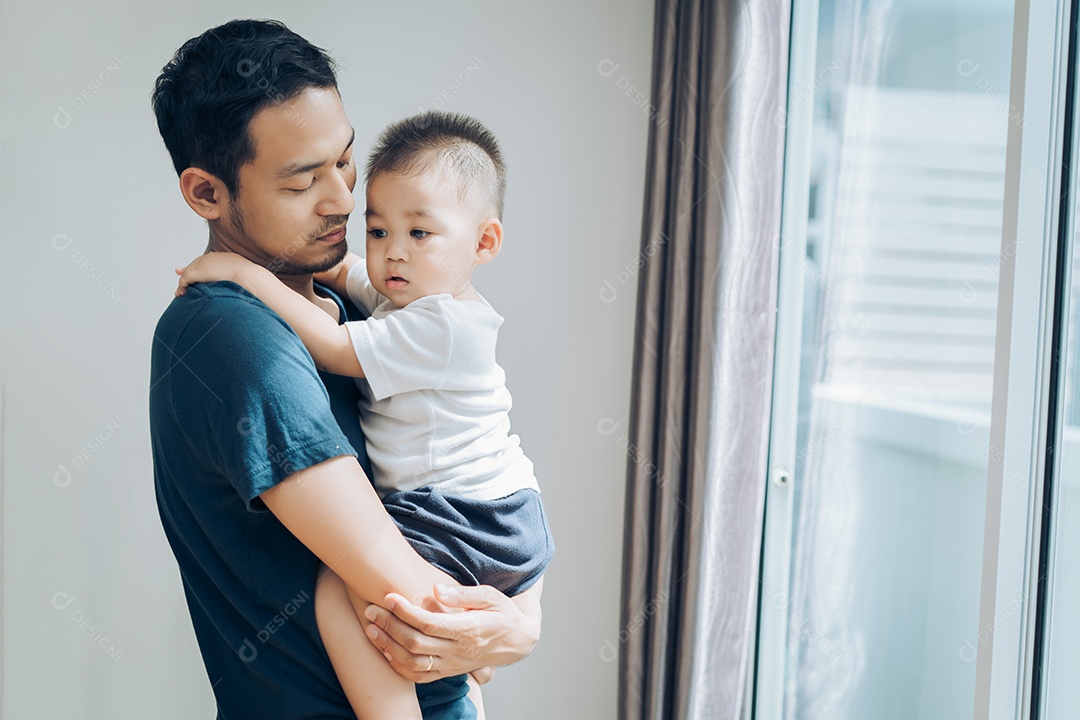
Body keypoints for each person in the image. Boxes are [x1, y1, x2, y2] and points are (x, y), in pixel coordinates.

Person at [149, 19, 544, 720]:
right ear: (208, 194)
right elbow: (400, 584)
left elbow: (480, 468)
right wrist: (511, 630)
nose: (341, 200)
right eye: (304, 181)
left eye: (344, 160)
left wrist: (518, 622)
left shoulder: (356, 305)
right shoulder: (226, 334)